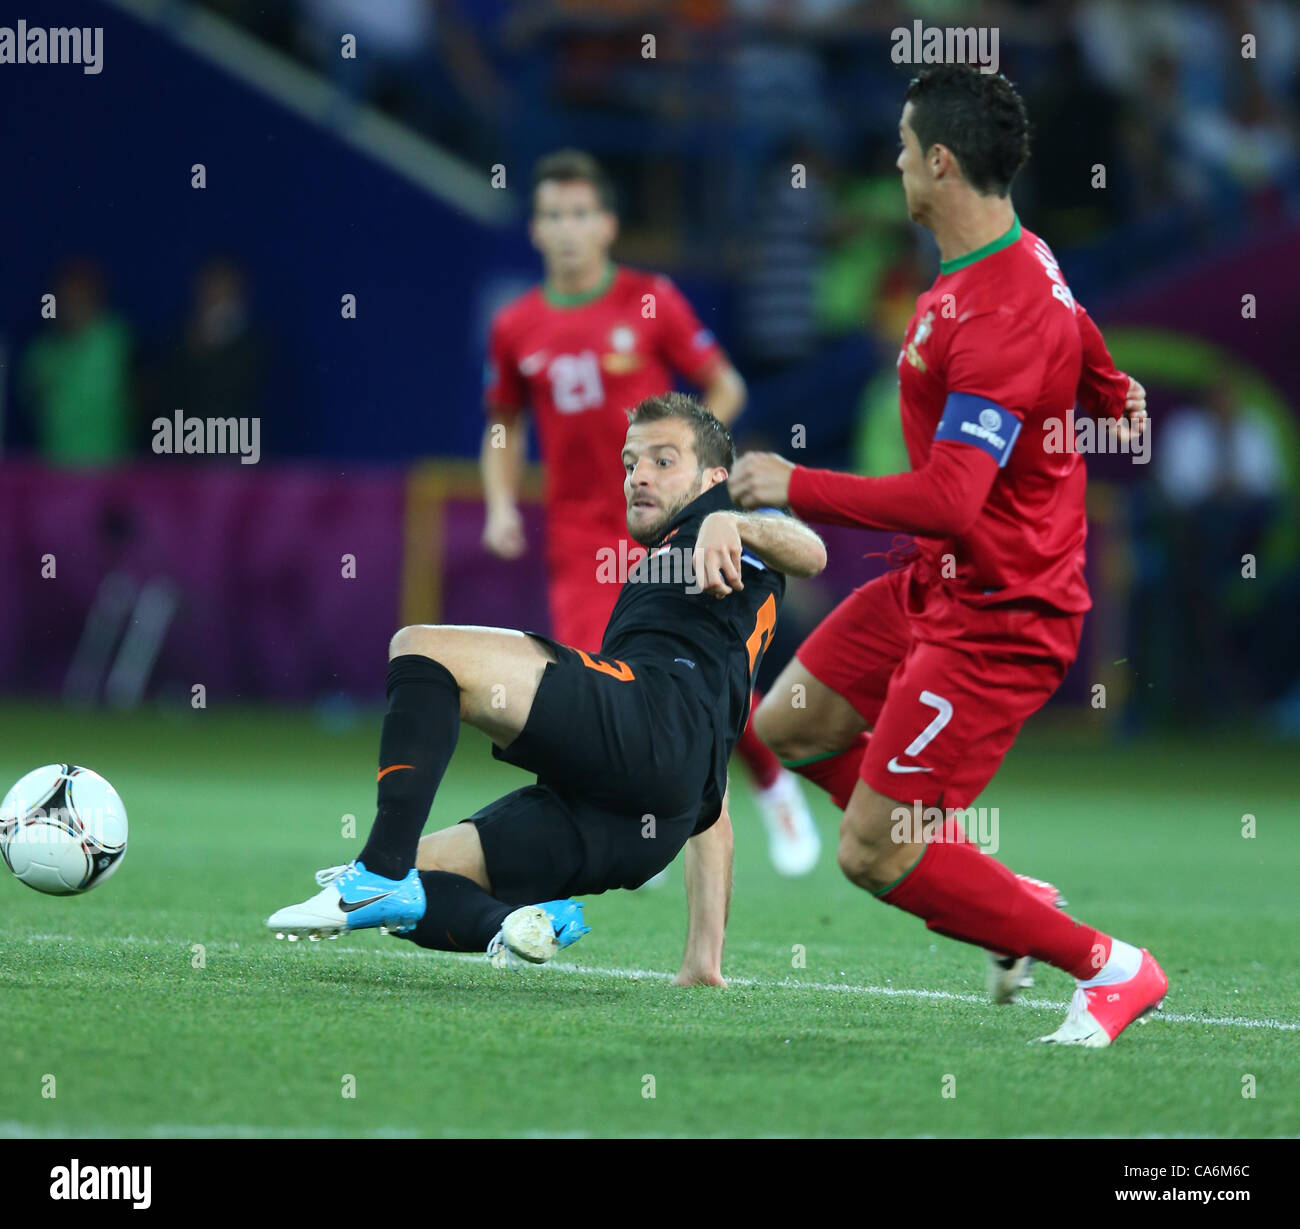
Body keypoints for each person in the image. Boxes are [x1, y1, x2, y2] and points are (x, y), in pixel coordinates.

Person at [730, 66, 1164, 1047]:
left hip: (999, 616)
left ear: (937, 160)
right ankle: (993, 886)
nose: (888, 163)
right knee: (788, 725)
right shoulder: (1009, 258)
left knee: (870, 850)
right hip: (933, 586)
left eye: (898, 146)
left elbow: (951, 499)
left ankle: (1110, 965)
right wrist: (1106, 387)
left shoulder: (997, 313)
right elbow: (1075, 320)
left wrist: (792, 483)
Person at [268, 395, 826, 985]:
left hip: (647, 723)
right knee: (420, 870)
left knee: (421, 647)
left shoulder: (725, 527)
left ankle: (376, 876)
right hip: (654, 813)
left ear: (716, 477)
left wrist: (731, 518)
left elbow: (808, 551)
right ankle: (507, 925)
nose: (638, 475)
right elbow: (707, 796)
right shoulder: (683, 590)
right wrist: (702, 961)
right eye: (630, 463)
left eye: (663, 461)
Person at [481, 148, 821, 876]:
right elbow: (503, 423)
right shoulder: (517, 325)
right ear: (535, 230)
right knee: (588, 689)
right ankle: (635, 819)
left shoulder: (649, 298)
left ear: (606, 224)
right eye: (551, 216)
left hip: (669, 527)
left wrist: (695, 479)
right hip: (579, 533)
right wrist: (501, 502)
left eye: (579, 214)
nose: (566, 229)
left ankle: (771, 785)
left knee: (702, 677)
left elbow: (722, 386)